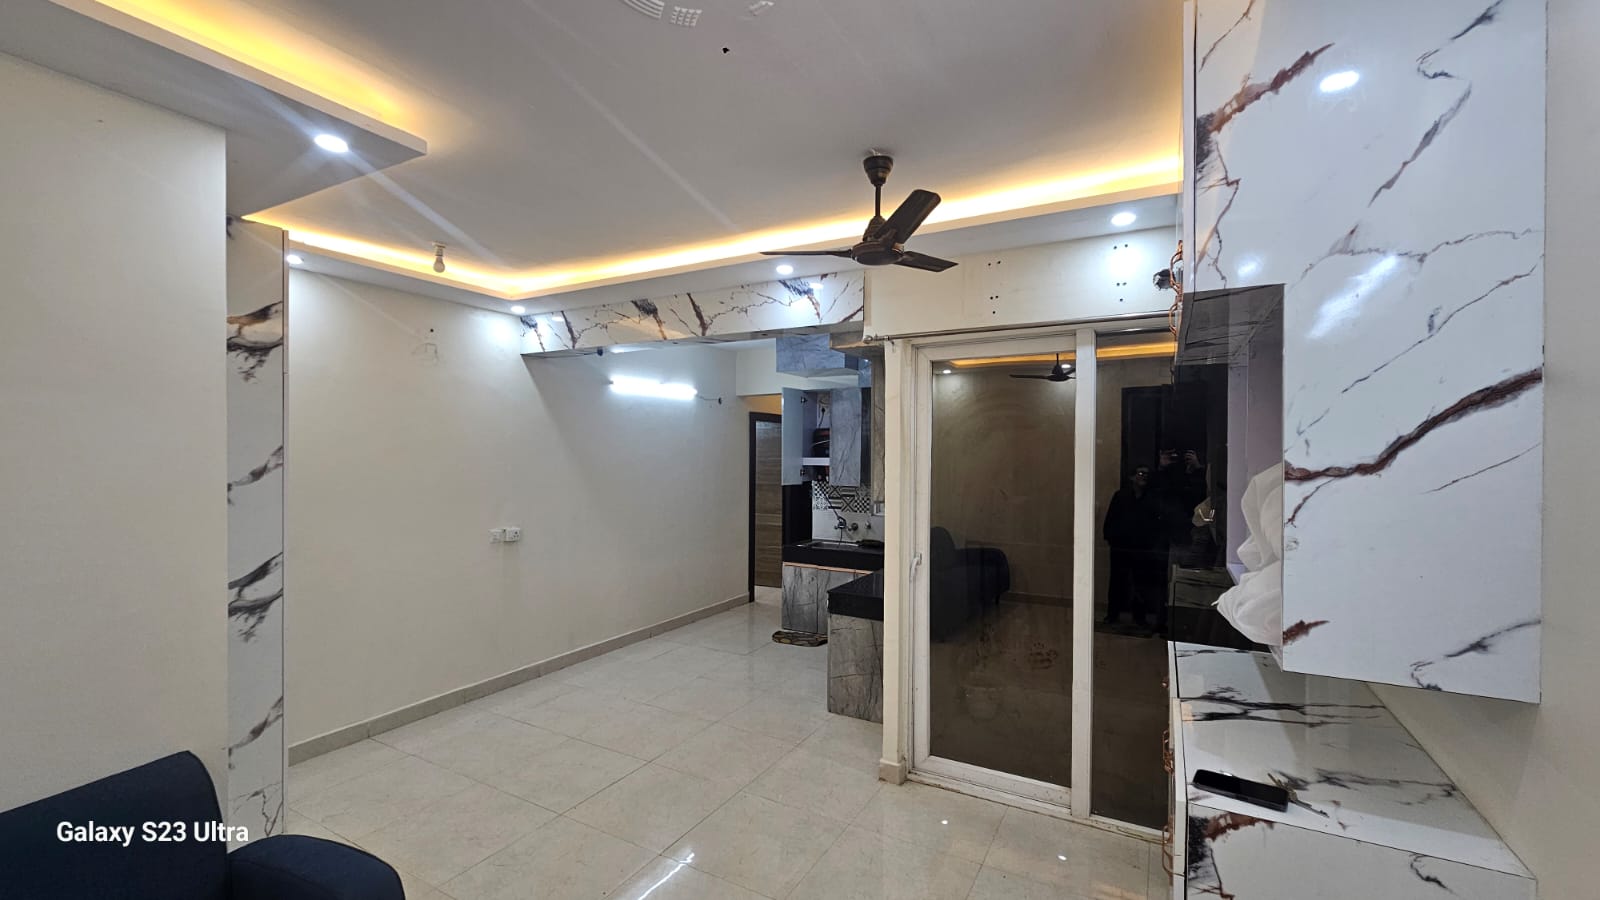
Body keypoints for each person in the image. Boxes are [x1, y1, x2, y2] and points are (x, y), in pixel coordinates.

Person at [1102, 465, 1164, 630]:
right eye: (1141, 473)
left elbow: (1154, 523)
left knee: (1141, 583)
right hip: (1121, 546)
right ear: (1132, 477)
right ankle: (1112, 614)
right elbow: (1111, 517)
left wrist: (1152, 543)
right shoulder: (1121, 496)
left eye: (1146, 474)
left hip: (1141, 547)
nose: (1144, 476)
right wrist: (1110, 538)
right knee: (1117, 581)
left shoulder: (1151, 498)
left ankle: (1139, 617)